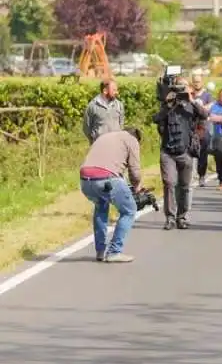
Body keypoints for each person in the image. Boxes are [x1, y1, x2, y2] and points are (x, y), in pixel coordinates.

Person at [79, 127, 143, 263]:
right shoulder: (132, 140)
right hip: (106, 179)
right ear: (136, 137)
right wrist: (137, 185)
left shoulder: (106, 136)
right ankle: (114, 251)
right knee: (129, 210)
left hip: (85, 179)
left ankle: (100, 251)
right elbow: (135, 171)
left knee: (101, 205)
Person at [153, 78, 208, 230]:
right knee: (169, 183)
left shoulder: (192, 106)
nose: (180, 92)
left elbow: (204, 115)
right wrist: (168, 104)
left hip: (186, 151)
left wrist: (191, 100)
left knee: (184, 186)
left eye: (183, 88)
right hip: (168, 152)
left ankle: (181, 217)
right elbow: (156, 119)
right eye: (179, 88)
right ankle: (170, 217)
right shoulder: (168, 104)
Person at [83, 79, 125, 143]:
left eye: (117, 90)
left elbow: (121, 124)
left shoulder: (119, 105)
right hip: (99, 146)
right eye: (114, 90)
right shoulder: (92, 106)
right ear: (105, 91)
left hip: (116, 145)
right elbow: (87, 128)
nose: (117, 92)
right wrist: (94, 141)